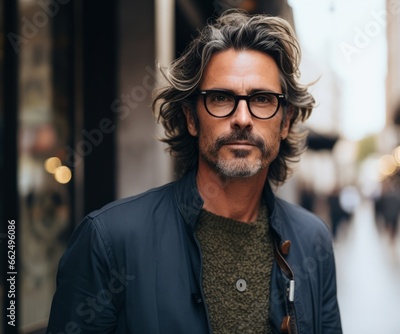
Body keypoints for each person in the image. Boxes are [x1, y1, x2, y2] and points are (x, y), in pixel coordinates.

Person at [47, 10, 342, 333]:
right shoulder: (108, 240)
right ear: (191, 118)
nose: (242, 118)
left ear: (285, 122)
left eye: (261, 99)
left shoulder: (313, 240)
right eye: (220, 97)